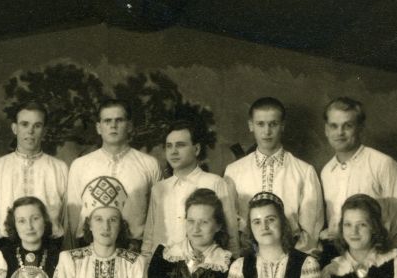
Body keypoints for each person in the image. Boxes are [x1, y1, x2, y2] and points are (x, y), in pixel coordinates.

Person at [224, 97, 323, 256]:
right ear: (251, 125)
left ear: (282, 126)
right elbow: (230, 223)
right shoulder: (233, 171)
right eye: (260, 124)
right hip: (247, 255)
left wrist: (294, 259)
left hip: (291, 253)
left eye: (273, 124)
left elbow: (311, 228)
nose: (267, 131)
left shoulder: (305, 171)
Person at [319, 97, 397, 259]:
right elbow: (336, 224)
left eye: (348, 126)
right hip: (343, 259)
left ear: (360, 128)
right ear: (326, 130)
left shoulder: (383, 164)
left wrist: (377, 256)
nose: (339, 133)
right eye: (333, 126)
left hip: (380, 257)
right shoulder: (327, 171)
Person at [65, 99, 162, 250]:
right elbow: (73, 216)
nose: (113, 125)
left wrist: (148, 253)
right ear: (99, 127)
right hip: (89, 248)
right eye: (107, 121)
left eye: (119, 120)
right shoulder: (80, 165)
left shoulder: (149, 164)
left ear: (129, 126)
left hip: (133, 248)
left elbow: (157, 215)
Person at [141, 120, 240, 259]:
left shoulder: (215, 183)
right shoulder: (159, 188)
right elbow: (149, 238)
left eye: (180, 145)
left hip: (202, 265)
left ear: (196, 149)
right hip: (162, 265)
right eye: (169, 146)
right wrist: (146, 264)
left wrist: (232, 264)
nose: (173, 151)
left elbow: (231, 235)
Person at [0, 102, 69, 247]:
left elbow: (66, 217)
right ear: (15, 128)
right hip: (7, 246)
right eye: (24, 124)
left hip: (50, 246)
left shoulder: (60, 168)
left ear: (44, 131)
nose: (30, 131)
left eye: (37, 126)